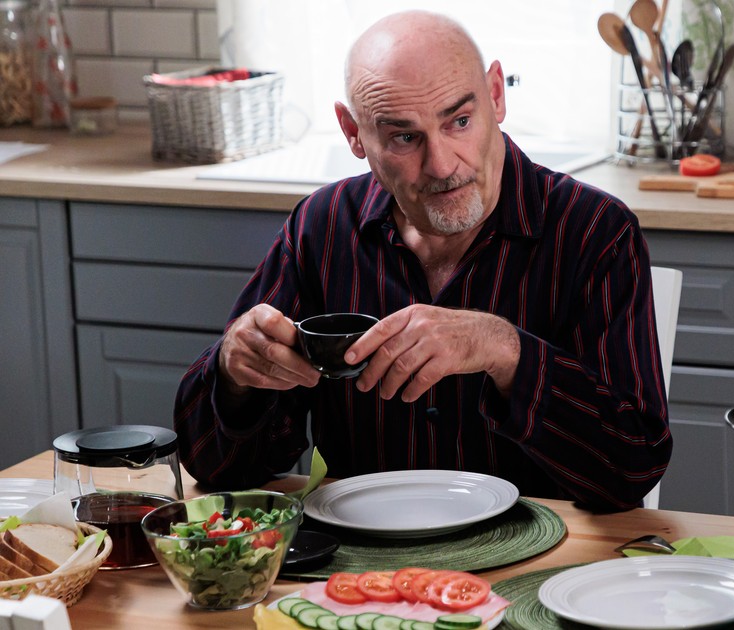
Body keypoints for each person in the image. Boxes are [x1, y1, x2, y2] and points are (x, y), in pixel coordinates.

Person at [174, 11, 671, 511]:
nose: (442, 164)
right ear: (353, 133)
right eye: (404, 137)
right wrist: (234, 374)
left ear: (496, 95)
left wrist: (504, 350)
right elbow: (219, 471)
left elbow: (630, 471)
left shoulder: (594, 232)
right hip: (359, 570)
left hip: (546, 560)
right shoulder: (322, 228)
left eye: (459, 121)